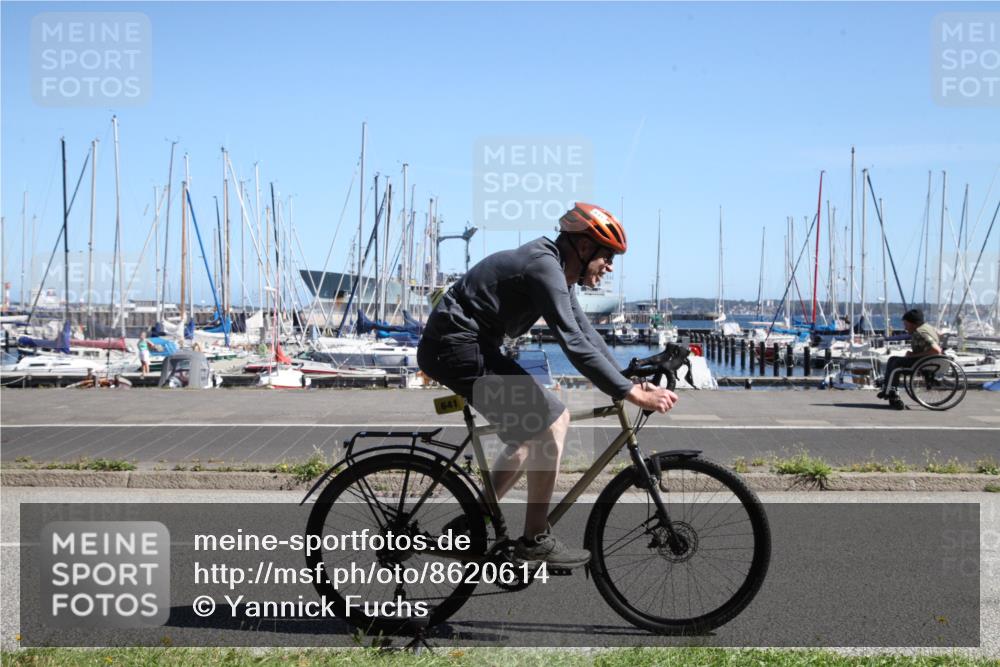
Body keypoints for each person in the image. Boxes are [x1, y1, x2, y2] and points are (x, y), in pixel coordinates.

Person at [417, 202, 678, 568]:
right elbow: (571, 343)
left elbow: (585, 333)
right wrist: (627, 392)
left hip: (469, 345)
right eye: (608, 256)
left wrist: (624, 379)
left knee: (538, 429)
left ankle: (473, 522)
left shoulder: (557, 271)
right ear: (584, 247)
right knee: (549, 420)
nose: (610, 266)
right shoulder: (544, 267)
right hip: (454, 347)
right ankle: (534, 539)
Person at [878, 308, 943, 406]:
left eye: (906, 324)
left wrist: (913, 355)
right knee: (892, 359)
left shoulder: (921, 332)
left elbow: (936, 350)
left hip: (924, 362)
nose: (905, 327)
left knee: (896, 364)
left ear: (913, 323)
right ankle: (888, 388)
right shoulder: (925, 327)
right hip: (923, 360)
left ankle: (891, 391)